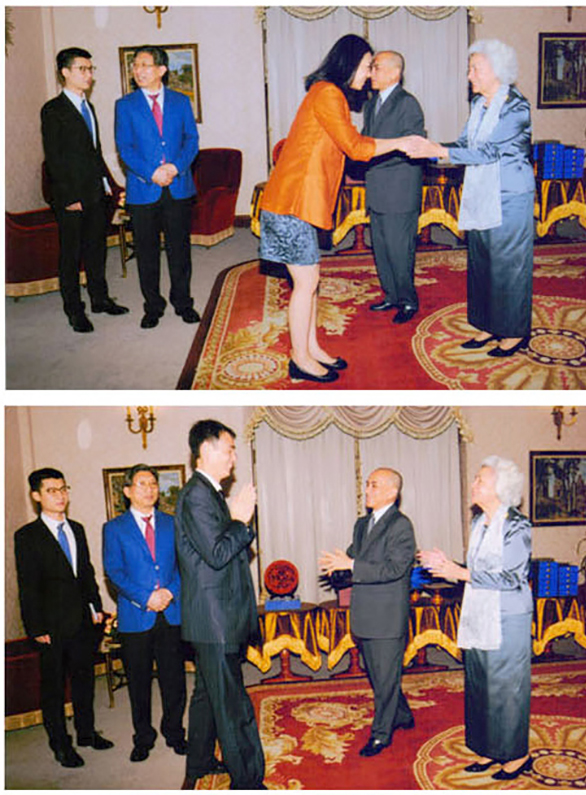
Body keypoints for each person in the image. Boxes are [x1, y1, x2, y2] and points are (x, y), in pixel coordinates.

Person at [259, 34, 413, 383]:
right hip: (291, 203)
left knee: (310, 280)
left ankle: (311, 348)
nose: (369, 73)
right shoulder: (328, 93)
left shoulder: (329, 93)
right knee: (306, 282)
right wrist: (402, 142)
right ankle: (299, 359)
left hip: (299, 202)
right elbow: (356, 148)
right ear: (350, 63)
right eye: (367, 65)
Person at [402, 39, 535, 357]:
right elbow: (464, 144)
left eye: (475, 69)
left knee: (508, 266)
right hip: (480, 192)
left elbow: (488, 151)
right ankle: (489, 324)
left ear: (497, 71)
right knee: (483, 262)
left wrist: (439, 151)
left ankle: (514, 332)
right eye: (469, 69)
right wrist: (430, 148)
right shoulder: (479, 105)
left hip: (509, 196)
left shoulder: (516, 107)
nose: (469, 76)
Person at [418, 456, 533, 780]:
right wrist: (447, 565)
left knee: (506, 688)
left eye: (480, 480)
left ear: (500, 487)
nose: (473, 484)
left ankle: (517, 755)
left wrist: (461, 572)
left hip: (508, 617)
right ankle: (489, 749)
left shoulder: (517, 525)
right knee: (481, 685)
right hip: (478, 613)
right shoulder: (479, 522)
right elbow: (478, 570)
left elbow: (512, 577)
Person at [175, 420, 265, 790]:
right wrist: (240, 520)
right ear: (207, 450)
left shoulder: (208, 492)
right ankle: (247, 781)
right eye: (229, 449)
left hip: (212, 617)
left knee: (207, 696)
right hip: (215, 619)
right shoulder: (198, 494)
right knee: (232, 706)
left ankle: (198, 762)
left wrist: (238, 521)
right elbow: (217, 554)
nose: (233, 458)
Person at [14, 468, 113, 767]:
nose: (60, 496)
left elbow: (86, 573)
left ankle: (86, 733)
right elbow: (28, 585)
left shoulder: (76, 529)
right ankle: (60, 744)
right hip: (51, 627)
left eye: (63, 488)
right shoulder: (27, 536)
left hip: (82, 622)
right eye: (51, 490)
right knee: (54, 688)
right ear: (36, 496)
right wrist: (36, 627)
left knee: (84, 681)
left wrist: (96, 607)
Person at [319, 468, 415, 757]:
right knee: (379, 674)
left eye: (374, 485)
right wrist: (338, 569)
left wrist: (350, 565)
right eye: (367, 484)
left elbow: (394, 569)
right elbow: (354, 558)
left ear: (392, 493)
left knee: (384, 678)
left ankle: (381, 734)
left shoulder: (401, 526)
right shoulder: (362, 524)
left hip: (387, 616)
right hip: (365, 613)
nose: (367, 490)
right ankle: (402, 714)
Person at [103, 464, 187, 763]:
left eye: (153, 483)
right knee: (138, 683)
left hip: (170, 613)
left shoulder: (172, 523)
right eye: (142, 484)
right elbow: (114, 571)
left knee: (174, 680)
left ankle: (175, 733)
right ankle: (143, 737)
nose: (150, 489)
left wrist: (169, 592)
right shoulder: (114, 528)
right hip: (136, 616)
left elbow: (183, 566)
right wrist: (146, 597)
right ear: (127, 491)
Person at [41, 47, 129, 333]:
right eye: (82, 69)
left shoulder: (87, 106)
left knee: (96, 249)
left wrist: (106, 185)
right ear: (65, 72)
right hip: (71, 198)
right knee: (71, 255)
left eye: (91, 69)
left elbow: (94, 152)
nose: (89, 74)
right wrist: (69, 198)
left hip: (95, 193)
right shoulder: (53, 110)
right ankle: (74, 310)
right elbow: (54, 158)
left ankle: (99, 299)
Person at [115, 45, 201, 330]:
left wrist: (175, 167)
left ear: (162, 70)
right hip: (143, 189)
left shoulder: (181, 101)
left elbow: (191, 140)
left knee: (180, 250)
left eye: (144, 65)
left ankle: (183, 302)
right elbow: (125, 148)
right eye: (135, 65)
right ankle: (153, 306)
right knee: (147, 252)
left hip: (178, 186)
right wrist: (151, 172)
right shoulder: (125, 105)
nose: (138, 70)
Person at [362, 51, 426, 324]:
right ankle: (391, 295)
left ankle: (408, 301)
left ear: (394, 73)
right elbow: (367, 142)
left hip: (399, 190)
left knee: (400, 251)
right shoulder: (371, 104)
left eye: (376, 68)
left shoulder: (407, 103)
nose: (370, 73)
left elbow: (413, 146)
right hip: (377, 189)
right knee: (381, 248)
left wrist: (371, 157)